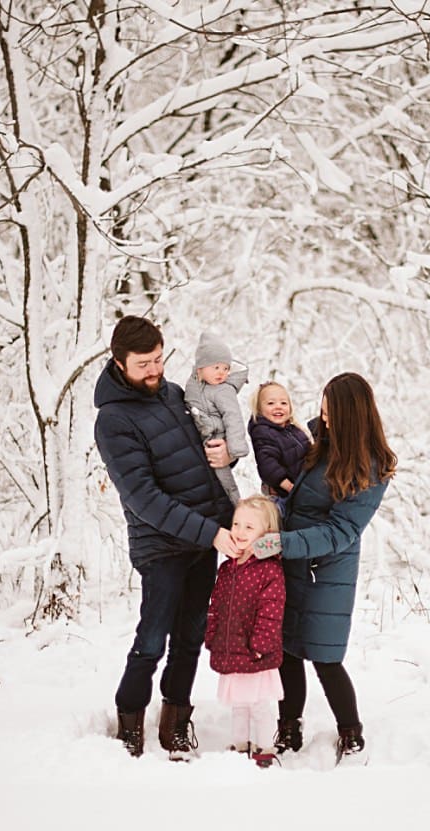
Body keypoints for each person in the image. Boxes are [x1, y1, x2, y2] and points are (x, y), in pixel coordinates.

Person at [93, 315, 243, 760]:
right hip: (161, 547)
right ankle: (130, 721)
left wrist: (225, 456)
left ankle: (175, 722)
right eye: (143, 364)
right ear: (119, 363)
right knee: (153, 639)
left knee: (190, 637)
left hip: (204, 539)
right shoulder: (113, 421)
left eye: (159, 359)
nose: (155, 370)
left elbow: (203, 459)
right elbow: (144, 499)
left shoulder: (175, 395)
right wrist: (211, 532)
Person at [253, 372, 397, 764]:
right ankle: (289, 727)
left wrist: (281, 543)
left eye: (331, 412)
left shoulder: (370, 467)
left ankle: (351, 732)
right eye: (323, 410)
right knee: (287, 652)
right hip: (292, 565)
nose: (324, 418)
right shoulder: (319, 446)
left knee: (326, 657)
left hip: (325, 573)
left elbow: (340, 531)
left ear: (351, 415)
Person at [204, 495, 286, 768]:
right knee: (239, 704)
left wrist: (261, 644)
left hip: (256, 651)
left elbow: (271, 610)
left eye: (249, 527)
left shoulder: (269, 569)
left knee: (259, 704)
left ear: (265, 534)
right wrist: (212, 634)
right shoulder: (228, 568)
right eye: (236, 524)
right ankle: (240, 745)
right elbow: (216, 605)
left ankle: (264, 748)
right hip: (232, 648)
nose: (239, 531)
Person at [183, 332, 249, 504]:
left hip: (217, 440)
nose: (221, 373)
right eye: (216, 367)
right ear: (201, 368)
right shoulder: (193, 384)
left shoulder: (223, 390)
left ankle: (237, 508)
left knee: (226, 484)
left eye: (226, 368)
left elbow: (233, 417)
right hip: (200, 443)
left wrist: (235, 448)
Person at [247, 381, 312, 505]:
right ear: (259, 409)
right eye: (271, 403)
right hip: (283, 494)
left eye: (283, 403)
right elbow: (268, 466)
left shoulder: (293, 430)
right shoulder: (263, 432)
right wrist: (290, 487)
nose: (278, 407)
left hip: (302, 488)